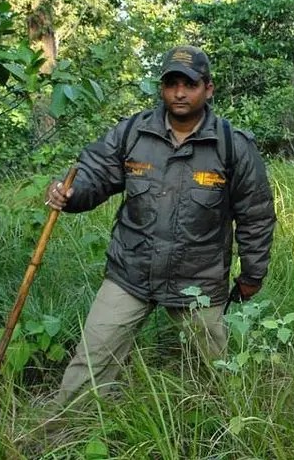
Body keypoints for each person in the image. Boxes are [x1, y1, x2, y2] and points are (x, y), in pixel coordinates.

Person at [44, 45, 276, 407]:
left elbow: (256, 215)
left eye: (190, 84)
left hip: (198, 280)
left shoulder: (233, 146)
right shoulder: (132, 132)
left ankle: (233, 432)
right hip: (130, 272)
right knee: (89, 364)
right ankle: (62, 429)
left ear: (208, 88)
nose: (179, 93)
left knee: (221, 372)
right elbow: (94, 174)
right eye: (171, 84)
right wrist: (69, 193)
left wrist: (252, 274)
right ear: (162, 88)